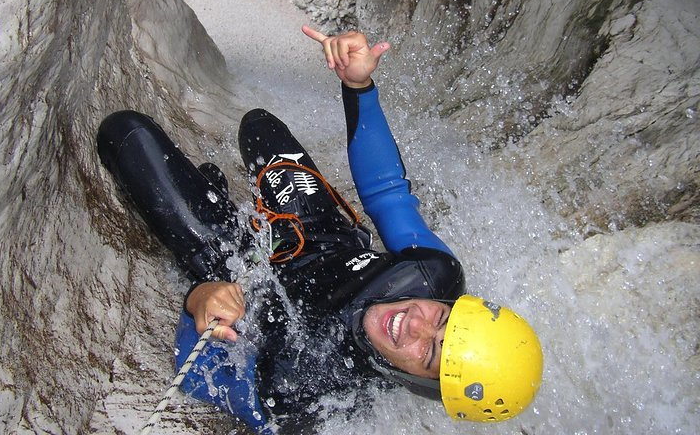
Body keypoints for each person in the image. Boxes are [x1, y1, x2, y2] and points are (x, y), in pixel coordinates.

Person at [96, 27, 542, 434]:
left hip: (238, 277)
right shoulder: (433, 273)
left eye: (429, 355)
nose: (415, 327)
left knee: (123, 133)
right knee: (259, 127)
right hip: (316, 234)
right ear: (452, 303)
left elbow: (200, 375)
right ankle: (224, 195)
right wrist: (358, 87)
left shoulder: (307, 387)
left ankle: (218, 211)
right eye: (442, 319)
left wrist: (202, 296)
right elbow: (388, 193)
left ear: (417, 384)